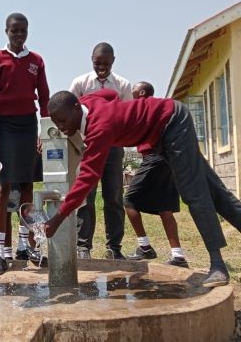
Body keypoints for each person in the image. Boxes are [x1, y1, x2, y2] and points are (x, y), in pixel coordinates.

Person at [45, 89, 241, 287]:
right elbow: (110, 94)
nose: (61, 128)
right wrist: (127, 112)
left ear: (76, 108)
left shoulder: (100, 128)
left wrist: (58, 218)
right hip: (160, 133)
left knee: (193, 192)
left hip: (172, 121)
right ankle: (219, 263)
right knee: (214, 190)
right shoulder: (87, 101)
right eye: (56, 123)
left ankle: (218, 266)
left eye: (63, 120)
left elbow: (87, 177)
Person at [0, 13, 50, 275]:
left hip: (28, 125)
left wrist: (43, 132)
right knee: (3, 186)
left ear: (27, 32)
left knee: (26, 186)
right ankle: (1, 252)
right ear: (6, 32)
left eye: (23, 31)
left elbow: (44, 98)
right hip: (5, 127)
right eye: (14, 31)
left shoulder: (36, 61)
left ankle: (25, 245)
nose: (18, 35)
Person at [70, 42, 132, 259]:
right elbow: (69, 115)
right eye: (97, 63)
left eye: (106, 63)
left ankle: (114, 247)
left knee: (113, 195)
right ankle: (83, 247)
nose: (101, 67)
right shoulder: (80, 84)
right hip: (86, 148)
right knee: (85, 196)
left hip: (113, 148)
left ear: (113, 61)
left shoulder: (123, 85)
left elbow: (127, 118)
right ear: (91, 60)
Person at [124, 82, 188, 268]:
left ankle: (144, 247)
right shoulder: (161, 108)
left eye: (134, 90)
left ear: (142, 92)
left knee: (129, 200)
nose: (131, 93)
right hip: (168, 160)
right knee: (164, 208)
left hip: (153, 157)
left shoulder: (146, 108)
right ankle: (178, 256)